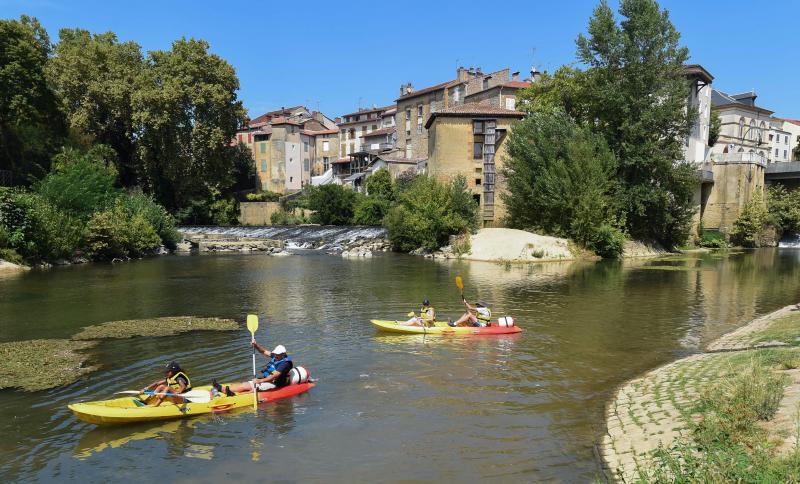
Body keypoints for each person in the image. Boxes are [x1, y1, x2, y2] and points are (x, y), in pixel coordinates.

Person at [213, 341, 293, 396]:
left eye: (277, 354)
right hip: (268, 380)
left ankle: (235, 396)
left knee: (253, 389)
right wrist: (256, 346)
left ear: (283, 354)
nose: (275, 355)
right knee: (244, 385)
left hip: (275, 384)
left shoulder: (285, 364)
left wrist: (260, 381)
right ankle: (222, 389)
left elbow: (274, 376)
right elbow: (264, 351)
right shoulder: (277, 356)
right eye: (275, 354)